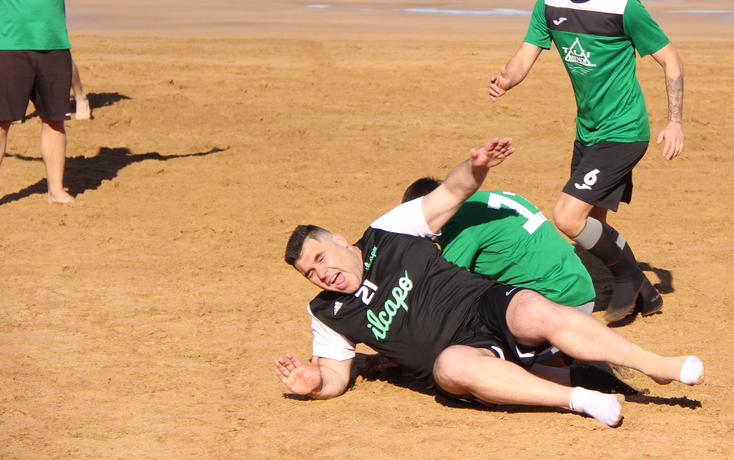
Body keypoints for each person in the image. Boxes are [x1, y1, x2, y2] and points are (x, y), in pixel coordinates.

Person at [274, 138, 704, 427]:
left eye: (320, 258)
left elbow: (450, 192)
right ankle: (579, 400)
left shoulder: (387, 230)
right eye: (310, 273)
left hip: (484, 304)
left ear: (338, 240)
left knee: (532, 307)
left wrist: (475, 166)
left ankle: (655, 365)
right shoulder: (326, 314)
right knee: (451, 368)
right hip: (458, 354)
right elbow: (334, 374)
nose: (321, 274)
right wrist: (315, 386)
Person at [488, 0, 684, 324]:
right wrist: (508, 79)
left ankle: (627, 279)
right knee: (593, 223)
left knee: (566, 216)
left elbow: (671, 59)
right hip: (588, 132)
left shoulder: (624, 7)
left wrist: (675, 121)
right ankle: (646, 293)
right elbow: (525, 55)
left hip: (624, 132)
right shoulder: (549, 1)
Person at [0, 0, 159, 203]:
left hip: (54, 46)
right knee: (1, 123)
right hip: (8, 47)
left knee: (54, 120)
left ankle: (56, 191)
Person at [401, 178, 596, 312]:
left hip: (560, 303)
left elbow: (439, 287)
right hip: (579, 287)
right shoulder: (478, 201)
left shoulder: (459, 226)